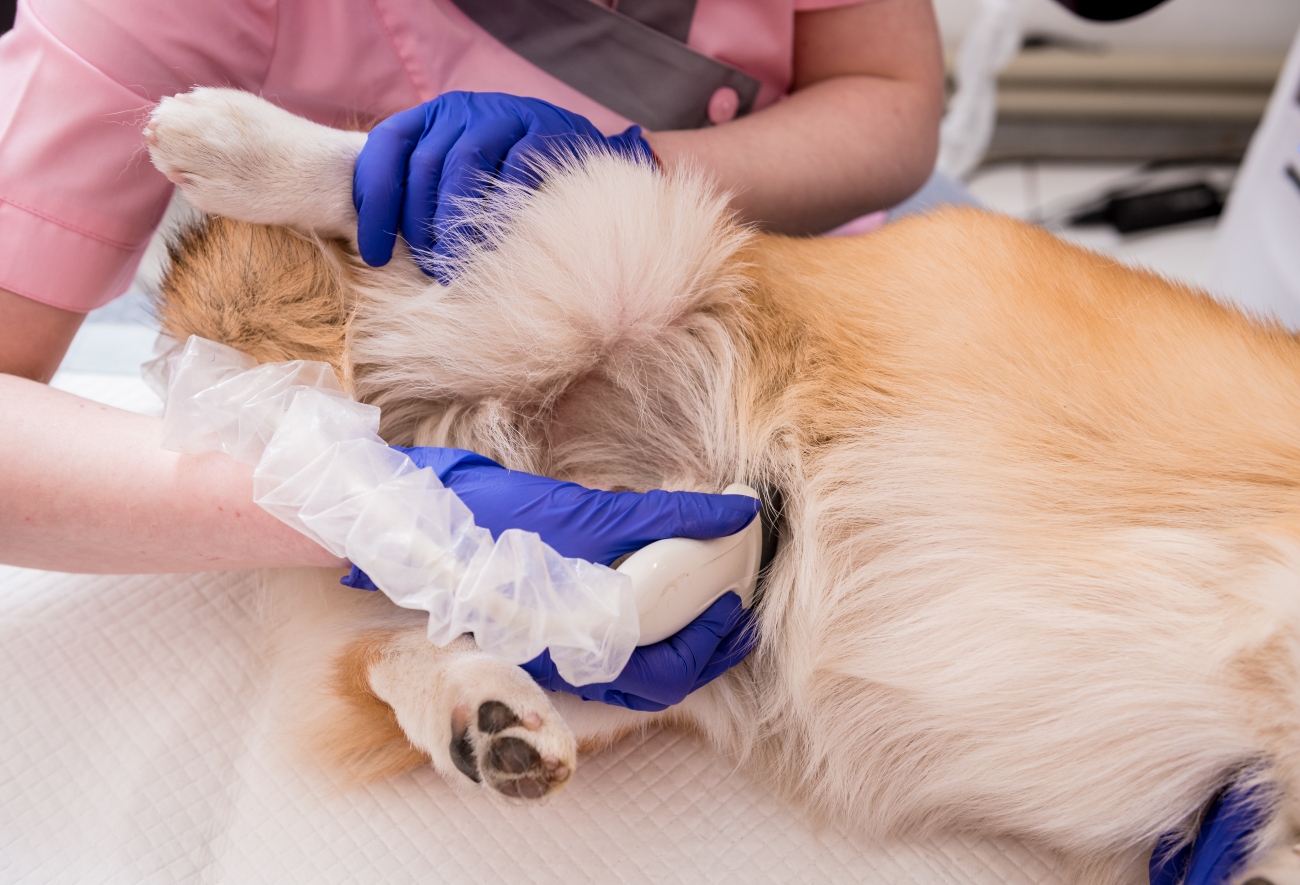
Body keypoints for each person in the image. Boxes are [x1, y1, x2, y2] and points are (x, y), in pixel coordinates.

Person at [0, 0, 945, 706]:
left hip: (804, 319)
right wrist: (374, 510)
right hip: (399, 405)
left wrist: (640, 169)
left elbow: (890, 96)